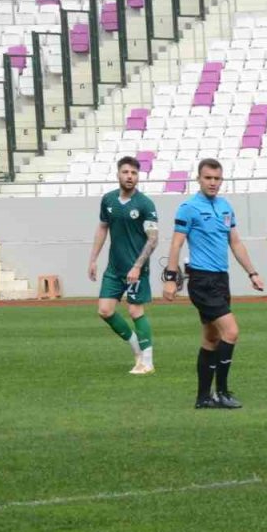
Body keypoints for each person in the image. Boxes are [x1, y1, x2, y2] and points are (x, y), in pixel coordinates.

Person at [161, 158, 264, 409]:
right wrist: (171, 279)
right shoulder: (188, 207)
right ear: (198, 179)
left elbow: (235, 243)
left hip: (221, 279)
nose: (213, 183)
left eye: (217, 179)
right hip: (202, 280)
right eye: (208, 178)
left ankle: (203, 398)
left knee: (210, 338)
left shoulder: (226, 207)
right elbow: (176, 243)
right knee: (231, 332)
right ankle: (222, 392)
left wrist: (252, 273)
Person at [88, 156, 159, 374]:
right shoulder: (108, 200)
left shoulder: (145, 204)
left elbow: (153, 238)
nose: (130, 176)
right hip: (114, 268)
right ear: (118, 174)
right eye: (126, 172)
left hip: (136, 269)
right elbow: (102, 227)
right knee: (105, 310)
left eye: (134, 173)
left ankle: (147, 362)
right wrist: (93, 259)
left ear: (138, 176)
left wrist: (137, 266)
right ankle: (137, 349)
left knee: (135, 310)